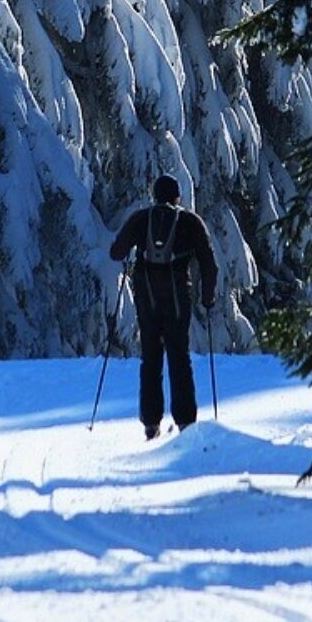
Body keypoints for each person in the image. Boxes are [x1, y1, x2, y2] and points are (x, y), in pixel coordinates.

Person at [108, 173, 217, 439]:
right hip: (178, 298)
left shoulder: (141, 218)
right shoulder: (190, 222)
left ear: (155, 195)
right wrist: (207, 297)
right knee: (180, 357)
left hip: (147, 298)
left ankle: (151, 423)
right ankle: (185, 423)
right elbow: (209, 264)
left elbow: (116, 252)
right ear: (177, 196)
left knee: (151, 358)